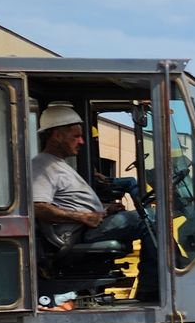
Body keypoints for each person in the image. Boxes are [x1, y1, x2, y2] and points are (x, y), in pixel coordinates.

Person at [32, 104, 146, 251]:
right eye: (76, 136)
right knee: (150, 218)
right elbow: (37, 208)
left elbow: (72, 204)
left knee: (149, 217)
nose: (81, 142)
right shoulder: (42, 165)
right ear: (57, 136)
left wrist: (105, 210)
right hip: (76, 233)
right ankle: (156, 273)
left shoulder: (59, 165)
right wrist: (82, 217)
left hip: (86, 227)